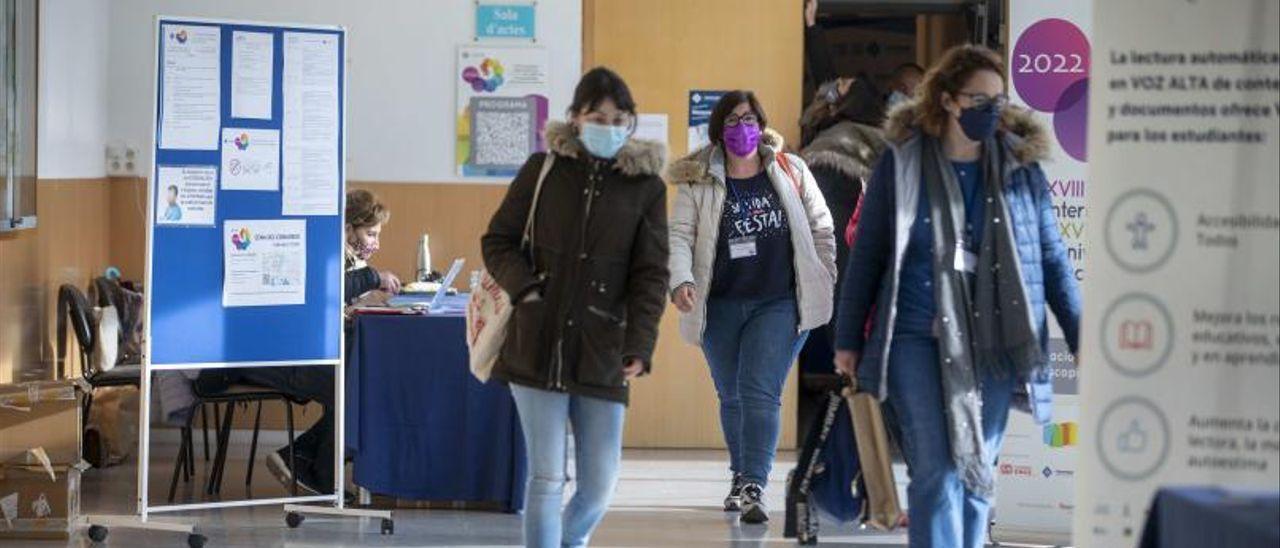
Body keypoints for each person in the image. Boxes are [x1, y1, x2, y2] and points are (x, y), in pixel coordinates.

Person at [833, 45, 1081, 548]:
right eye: (979, 98)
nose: (992, 109)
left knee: (977, 468)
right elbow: (869, 256)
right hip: (913, 336)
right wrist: (847, 339)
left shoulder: (1020, 169)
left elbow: (1052, 259)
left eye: (999, 99)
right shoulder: (901, 165)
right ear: (947, 101)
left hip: (994, 338)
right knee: (935, 469)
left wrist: (1081, 334)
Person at [481, 67, 669, 548]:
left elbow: (650, 275)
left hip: (603, 346)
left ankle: (570, 541)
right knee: (545, 478)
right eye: (595, 114)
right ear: (575, 118)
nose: (606, 124)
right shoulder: (542, 169)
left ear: (630, 122)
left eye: (617, 116)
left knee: (598, 487)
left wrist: (641, 344)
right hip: (536, 341)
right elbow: (499, 240)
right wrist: (527, 293)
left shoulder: (646, 188)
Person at [667, 90, 837, 523]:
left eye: (749, 119)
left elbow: (822, 226)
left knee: (760, 390)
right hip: (720, 304)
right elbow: (679, 237)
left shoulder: (789, 168)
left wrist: (825, 273)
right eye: (732, 121)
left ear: (761, 124)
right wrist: (681, 279)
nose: (742, 128)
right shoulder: (697, 178)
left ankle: (754, 485)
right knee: (732, 396)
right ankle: (740, 475)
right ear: (718, 131)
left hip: (779, 302)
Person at [196, 190, 400, 496]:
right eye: (370, 233)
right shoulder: (321, 250)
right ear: (346, 229)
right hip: (265, 355)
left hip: (289, 348)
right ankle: (314, 469)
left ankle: (301, 460)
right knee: (353, 388)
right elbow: (325, 291)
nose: (375, 243)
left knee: (358, 383)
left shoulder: (337, 254)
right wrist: (372, 277)